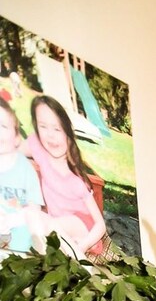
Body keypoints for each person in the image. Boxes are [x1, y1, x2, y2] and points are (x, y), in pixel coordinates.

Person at [25, 94, 106, 256]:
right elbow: (14, 149)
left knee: (49, 227)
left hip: (84, 229)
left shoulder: (76, 181)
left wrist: (83, 246)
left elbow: (100, 225)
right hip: (59, 228)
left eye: (57, 129)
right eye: (43, 126)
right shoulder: (39, 147)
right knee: (32, 216)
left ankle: (77, 260)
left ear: (69, 136)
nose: (50, 135)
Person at [0, 97, 44, 252]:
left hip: (18, 251)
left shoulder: (25, 170)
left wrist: (13, 219)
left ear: (17, 137)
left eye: (3, 126)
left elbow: (34, 211)